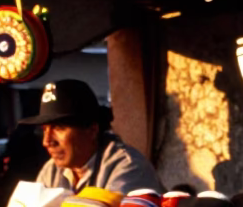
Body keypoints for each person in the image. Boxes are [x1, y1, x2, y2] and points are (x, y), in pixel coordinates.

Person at [17, 80, 161, 195]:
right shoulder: (52, 170)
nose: (47, 141)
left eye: (59, 128)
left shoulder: (127, 168)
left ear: (92, 130)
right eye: (44, 130)